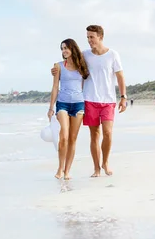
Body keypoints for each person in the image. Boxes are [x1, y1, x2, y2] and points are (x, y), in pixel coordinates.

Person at [51, 25, 127, 177]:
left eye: (91, 37)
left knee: (108, 132)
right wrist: (55, 70)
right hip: (89, 99)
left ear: (100, 37)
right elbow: (69, 61)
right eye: (87, 37)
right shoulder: (84, 55)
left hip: (108, 100)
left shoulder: (113, 55)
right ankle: (96, 169)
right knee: (94, 135)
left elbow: (120, 76)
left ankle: (105, 162)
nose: (89, 40)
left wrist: (123, 97)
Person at [48, 38, 89, 180]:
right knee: (64, 136)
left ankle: (67, 171)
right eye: (62, 48)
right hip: (63, 103)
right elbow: (55, 87)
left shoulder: (82, 66)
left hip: (78, 104)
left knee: (73, 139)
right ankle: (60, 168)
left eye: (66, 48)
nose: (64, 51)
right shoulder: (58, 66)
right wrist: (51, 107)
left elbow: (85, 84)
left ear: (73, 49)